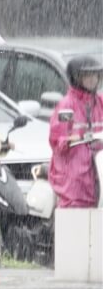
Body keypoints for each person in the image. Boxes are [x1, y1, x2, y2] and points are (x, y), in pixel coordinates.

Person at [48, 55, 103, 208]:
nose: (92, 79)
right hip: (74, 177)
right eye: (86, 75)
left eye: (95, 75)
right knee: (75, 220)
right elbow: (57, 140)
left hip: (98, 170)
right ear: (76, 78)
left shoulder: (99, 102)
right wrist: (72, 139)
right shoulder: (67, 106)